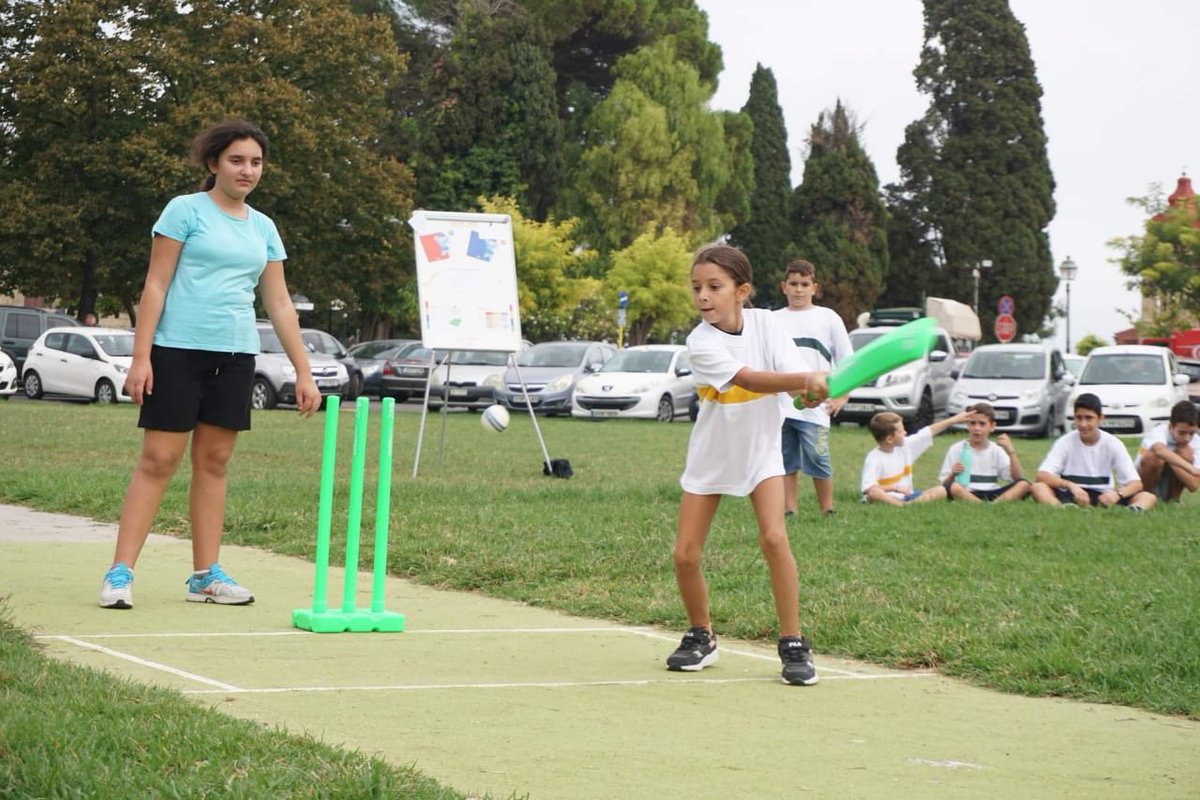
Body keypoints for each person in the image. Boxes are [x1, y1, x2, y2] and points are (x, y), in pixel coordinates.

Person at [98, 119, 321, 610]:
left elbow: (280, 303)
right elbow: (155, 285)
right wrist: (141, 357)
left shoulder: (263, 227)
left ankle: (205, 576)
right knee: (158, 461)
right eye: (237, 160)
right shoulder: (185, 211)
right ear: (213, 163)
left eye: (256, 162)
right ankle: (119, 573)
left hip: (236, 356)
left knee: (215, 463)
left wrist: (303, 371)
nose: (247, 170)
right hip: (176, 352)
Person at [669, 244, 829, 686]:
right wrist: (803, 381)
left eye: (714, 287)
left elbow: (794, 385)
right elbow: (749, 380)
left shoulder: (768, 325)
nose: (703, 296)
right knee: (685, 555)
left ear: (742, 291)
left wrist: (810, 391)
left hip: (761, 453)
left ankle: (793, 642)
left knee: (775, 537)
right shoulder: (700, 342)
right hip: (712, 456)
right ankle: (702, 635)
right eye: (697, 287)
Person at [773, 259, 852, 517]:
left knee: (818, 457)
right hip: (781, 405)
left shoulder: (828, 317)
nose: (798, 290)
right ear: (784, 287)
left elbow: (846, 361)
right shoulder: (773, 320)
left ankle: (827, 508)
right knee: (785, 460)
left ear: (814, 287)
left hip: (816, 407)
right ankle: (789, 509)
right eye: (793, 284)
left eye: (804, 284)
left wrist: (842, 395)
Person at [1029, 393, 1156, 511]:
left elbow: (1135, 483)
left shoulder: (1113, 443)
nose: (1083, 424)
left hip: (1103, 496)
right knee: (1038, 487)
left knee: (1148, 497)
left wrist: (1117, 494)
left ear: (1100, 419)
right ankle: (1062, 509)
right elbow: (1042, 475)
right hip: (1071, 494)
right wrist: (1070, 486)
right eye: (1079, 418)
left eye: (1089, 418)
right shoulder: (1065, 442)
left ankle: (1131, 512)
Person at [861, 410, 971, 505]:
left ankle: (908, 504)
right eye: (901, 431)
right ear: (890, 439)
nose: (905, 433)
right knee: (874, 494)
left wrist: (954, 420)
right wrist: (896, 488)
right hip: (886, 498)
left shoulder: (905, 446)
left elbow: (928, 432)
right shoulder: (874, 458)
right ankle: (902, 506)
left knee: (941, 490)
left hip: (907, 496)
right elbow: (869, 489)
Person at [938, 402, 1031, 502]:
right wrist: (953, 474)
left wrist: (1011, 452)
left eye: (982, 424)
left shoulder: (996, 450)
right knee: (953, 487)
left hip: (992, 492)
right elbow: (945, 484)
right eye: (973, 423)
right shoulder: (956, 448)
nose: (976, 428)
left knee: (1024, 484)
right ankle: (981, 505)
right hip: (967, 492)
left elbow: (1017, 478)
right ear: (967, 425)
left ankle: (994, 506)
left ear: (992, 426)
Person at [1134, 400, 1200, 502]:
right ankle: (1147, 497)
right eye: (1182, 433)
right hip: (1142, 483)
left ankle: (1173, 501)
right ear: (1171, 426)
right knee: (1154, 457)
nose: (1187, 438)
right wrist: (1190, 468)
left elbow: (1193, 486)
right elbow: (1159, 450)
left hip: (1168, 484)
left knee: (1186, 452)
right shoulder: (1159, 431)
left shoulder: (1196, 442)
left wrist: (1172, 461)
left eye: (1191, 433)